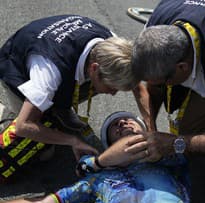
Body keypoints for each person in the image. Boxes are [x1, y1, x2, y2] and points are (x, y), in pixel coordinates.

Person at [0, 15, 139, 182]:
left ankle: (60, 109)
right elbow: (24, 126)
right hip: (16, 63)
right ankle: (3, 113)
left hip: (57, 53)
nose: (113, 93)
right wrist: (71, 140)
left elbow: (137, 83)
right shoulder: (49, 73)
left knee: (94, 87)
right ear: (94, 69)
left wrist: (149, 125)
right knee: (43, 152)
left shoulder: (113, 46)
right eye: (112, 87)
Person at [0, 111, 192, 203]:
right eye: (115, 126)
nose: (122, 122)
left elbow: (193, 146)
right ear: (109, 145)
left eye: (129, 120)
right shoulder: (97, 180)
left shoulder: (166, 155)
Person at [130, 0, 205, 203]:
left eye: (162, 82)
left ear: (182, 68)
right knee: (190, 129)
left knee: (196, 145)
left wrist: (177, 143)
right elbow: (153, 87)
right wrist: (151, 128)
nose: (154, 86)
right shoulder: (158, 24)